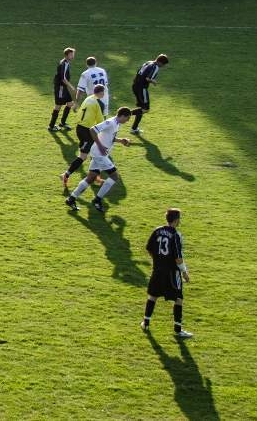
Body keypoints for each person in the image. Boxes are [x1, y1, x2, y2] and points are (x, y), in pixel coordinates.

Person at [67, 106, 132, 212]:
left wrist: (121, 140)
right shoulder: (110, 122)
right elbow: (92, 130)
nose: (128, 120)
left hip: (100, 154)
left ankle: (71, 198)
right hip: (99, 154)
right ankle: (97, 200)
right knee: (115, 176)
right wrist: (100, 146)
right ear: (122, 116)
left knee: (91, 178)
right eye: (127, 118)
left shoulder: (116, 124)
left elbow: (109, 137)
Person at [144, 208, 193, 339]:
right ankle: (178, 330)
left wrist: (157, 261)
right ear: (176, 220)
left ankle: (146, 323)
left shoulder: (157, 230)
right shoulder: (175, 235)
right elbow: (178, 258)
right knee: (178, 298)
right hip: (172, 272)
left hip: (157, 270)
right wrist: (185, 272)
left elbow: (149, 248)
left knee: (153, 295)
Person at [63, 83, 110, 189]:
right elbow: (100, 122)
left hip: (80, 127)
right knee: (83, 156)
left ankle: (96, 178)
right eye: (104, 92)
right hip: (86, 131)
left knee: (95, 153)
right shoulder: (98, 103)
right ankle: (66, 174)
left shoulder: (89, 98)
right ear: (101, 92)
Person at [129, 54, 168, 135]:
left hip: (135, 85)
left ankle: (134, 128)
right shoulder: (156, 67)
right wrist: (153, 81)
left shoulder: (148, 62)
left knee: (141, 108)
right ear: (161, 62)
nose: (163, 66)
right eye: (163, 65)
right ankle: (124, 114)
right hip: (141, 88)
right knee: (146, 109)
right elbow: (147, 78)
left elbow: (139, 72)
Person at [51, 47, 77, 132]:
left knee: (70, 103)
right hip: (60, 88)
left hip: (63, 87)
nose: (73, 56)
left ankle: (62, 122)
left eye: (73, 54)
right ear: (66, 55)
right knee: (58, 105)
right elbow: (63, 79)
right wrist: (71, 87)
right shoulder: (63, 64)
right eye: (71, 54)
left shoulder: (66, 63)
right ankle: (51, 126)